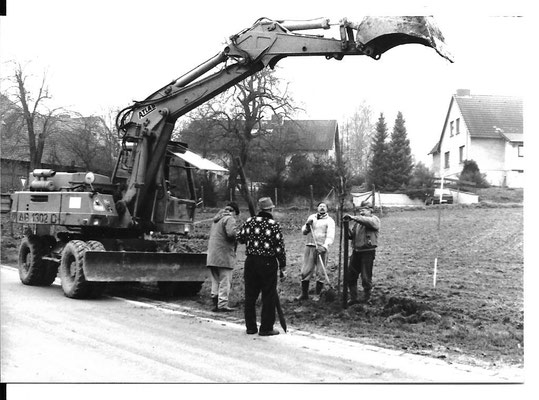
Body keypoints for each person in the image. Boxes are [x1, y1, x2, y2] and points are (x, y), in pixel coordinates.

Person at [236, 197, 286, 336]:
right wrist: (283, 266)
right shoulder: (273, 225)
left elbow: (240, 238)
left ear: (259, 209)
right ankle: (266, 328)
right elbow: (279, 248)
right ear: (271, 209)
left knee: (250, 295)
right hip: (268, 262)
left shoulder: (249, 221)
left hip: (251, 261)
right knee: (268, 295)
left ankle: (251, 327)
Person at [343, 200, 380, 305]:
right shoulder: (357, 223)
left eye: (364, 210)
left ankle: (366, 299)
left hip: (367, 252)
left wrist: (354, 217)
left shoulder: (374, 220)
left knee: (365, 277)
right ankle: (353, 298)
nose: (362, 212)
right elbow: (351, 236)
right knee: (351, 276)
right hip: (356, 252)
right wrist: (346, 226)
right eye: (361, 210)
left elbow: (368, 222)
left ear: (370, 211)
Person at [296, 202, 335, 301]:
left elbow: (330, 236)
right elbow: (304, 231)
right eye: (320, 206)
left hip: (321, 248)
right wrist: (307, 226)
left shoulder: (330, 221)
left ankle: (317, 295)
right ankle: (304, 294)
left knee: (321, 272)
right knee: (305, 271)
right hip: (310, 246)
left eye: (324, 206)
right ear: (317, 208)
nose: (322, 208)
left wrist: (324, 247)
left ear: (327, 209)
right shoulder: (312, 217)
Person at [206, 202, 240, 312]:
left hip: (212, 255)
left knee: (215, 280)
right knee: (225, 280)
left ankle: (214, 303)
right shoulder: (229, 219)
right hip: (223, 255)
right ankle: (222, 304)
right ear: (234, 211)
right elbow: (231, 234)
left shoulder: (217, 219)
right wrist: (239, 234)